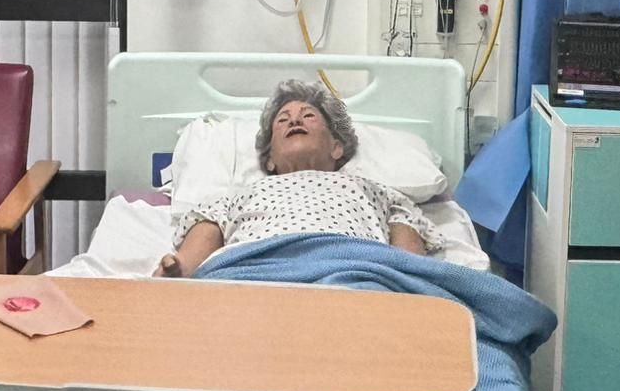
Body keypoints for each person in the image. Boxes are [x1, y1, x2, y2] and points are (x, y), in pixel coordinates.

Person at [154, 80, 442, 277]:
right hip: (251, 277)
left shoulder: (376, 191)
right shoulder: (234, 197)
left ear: (336, 147)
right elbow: (187, 263)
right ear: (268, 158)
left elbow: (408, 265)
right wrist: (175, 270)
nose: (294, 121)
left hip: (352, 275)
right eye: (283, 119)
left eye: (308, 116)